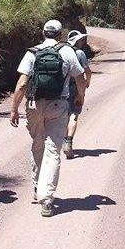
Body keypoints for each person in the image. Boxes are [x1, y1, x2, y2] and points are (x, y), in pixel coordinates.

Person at [9, 19, 86, 217]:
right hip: (58, 105)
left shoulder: (32, 52)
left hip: (34, 105)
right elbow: (80, 78)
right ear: (60, 34)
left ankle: (37, 188)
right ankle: (47, 199)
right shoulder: (67, 51)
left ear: (43, 33)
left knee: (37, 143)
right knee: (53, 150)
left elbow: (21, 83)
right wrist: (80, 96)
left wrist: (14, 109)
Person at [64, 29, 93, 160]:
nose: (82, 42)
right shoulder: (80, 53)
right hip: (76, 87)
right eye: (81, 40)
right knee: (74, 114)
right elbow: (88, 71)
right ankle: (69, 142)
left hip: (62, 88)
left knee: (64, 115)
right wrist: (86, 83)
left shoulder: (62, 51)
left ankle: (63, 140)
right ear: (78, 41)